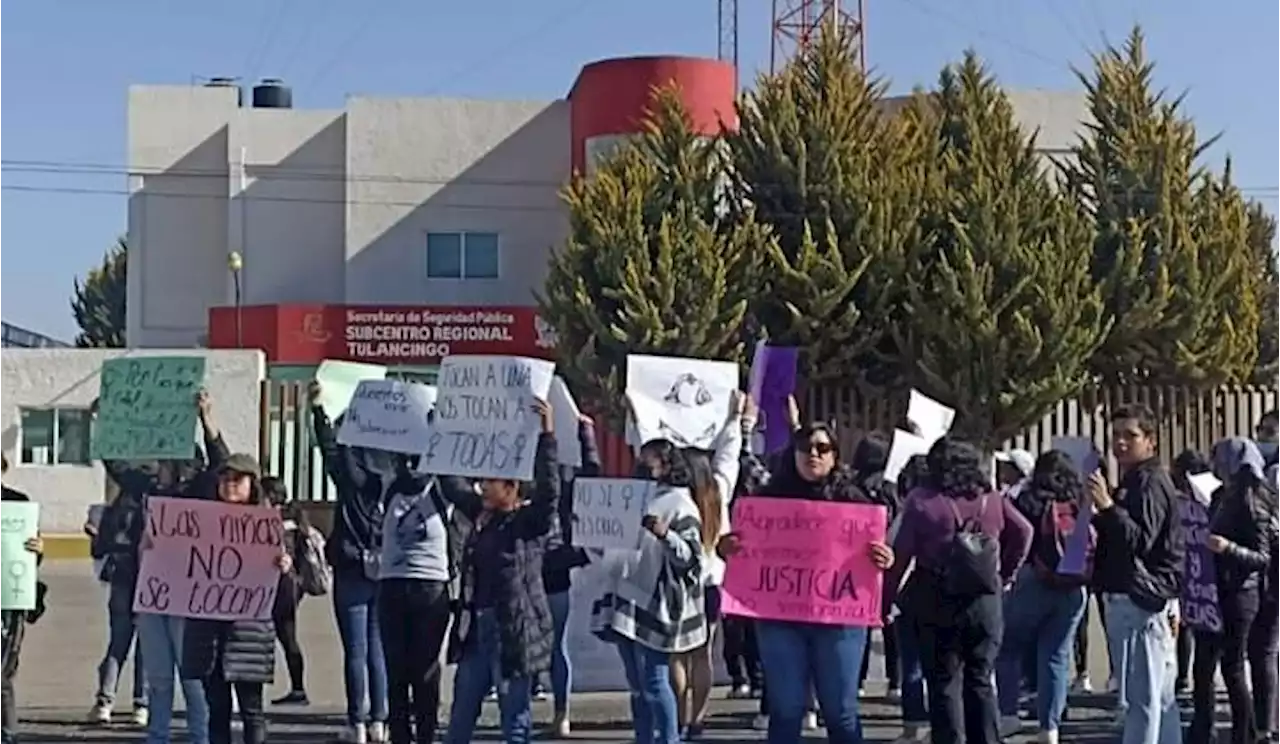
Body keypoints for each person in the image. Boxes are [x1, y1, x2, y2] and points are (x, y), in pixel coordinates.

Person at [720, 418, 896, 744]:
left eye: (822, 448)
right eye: (805, 447)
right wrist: (726, 547)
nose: (812, 454)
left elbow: (876, 551)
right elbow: (739, 546)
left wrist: (885, 557)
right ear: (793, 453)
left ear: (834, 455)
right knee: (785, 711)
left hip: (840, 621)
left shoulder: (855, 501)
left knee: (840, 712)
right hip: (780, 619)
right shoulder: (767, 499)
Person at [887, 436, 1033, 744]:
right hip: (985, 599)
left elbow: (900, 555)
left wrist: (885, 600)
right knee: (980, 679)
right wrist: (1005, 574)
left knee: (943, 682)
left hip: (936, 596)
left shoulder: (922, 500)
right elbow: (1024, 531)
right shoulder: (991, 498)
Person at [442, 398, 559, 744]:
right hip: (478, 628)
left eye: (491, 482)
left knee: (514, 716)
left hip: (513, 633)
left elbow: (551, 493)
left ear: (511, 488)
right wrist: (441, 432)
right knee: (462, 711)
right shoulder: (481, 515)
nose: (482, 487)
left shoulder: (527, 523)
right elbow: (452, 483)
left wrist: (547, 434)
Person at [593, 426, 716, 744]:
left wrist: (666, 535)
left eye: (650, 462)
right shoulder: (635, 496)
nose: (642, 466)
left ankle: (668, 738)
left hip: (653, 602)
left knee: (654, 679)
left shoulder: (680, 504)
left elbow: (692, 559)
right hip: (624, 596)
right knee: (636, 684)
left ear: (666, 463)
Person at [124, 389, 227, 744]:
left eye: (168, 463)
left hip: (187, 598)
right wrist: (104, 424)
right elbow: (118, 464)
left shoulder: (197, 494)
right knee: (159, 679)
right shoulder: (147, 493)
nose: (160, 468)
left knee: (192, 677)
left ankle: (200, 737)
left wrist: (207, 421)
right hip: (152, 596)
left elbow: (220, 464)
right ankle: (158, 738)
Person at [1088, 404, 1184, 744]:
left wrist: (1108, 508)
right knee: (1159, 697)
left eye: (1130, 435)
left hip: (1141, 600)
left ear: (1151, 441)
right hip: (1141, 597)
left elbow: (1141, 541)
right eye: (1116, 435)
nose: (1121, 443)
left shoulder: (1150, 481)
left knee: (1142, 699)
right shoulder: (1136, 480)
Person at [181, 454, 292, 744]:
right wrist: (154, 547)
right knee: (217, 710)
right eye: (224, 478)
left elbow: (286, 594)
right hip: (208, 633)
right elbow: (179, 562)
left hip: (249, 633)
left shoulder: (268, 526)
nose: (229, 484)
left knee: (251, 710)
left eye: (237, 478)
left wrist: (284, 568)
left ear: (252, 484)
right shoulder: (201, 520)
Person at [308, 382, 389, 744]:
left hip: (351, 566)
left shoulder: (348, 479)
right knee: (378, 650)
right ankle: (380, 721)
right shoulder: (393, 481)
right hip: (386, 568)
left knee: (355, 650)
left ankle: (356, 723)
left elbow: (328, 447)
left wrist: (319, 413)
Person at [995, 450, 1095, 744]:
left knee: (1009, 648)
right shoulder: (1081, 501)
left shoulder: (1026, 499)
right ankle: (1049, 728)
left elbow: (1010, 536)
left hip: (1032, 580)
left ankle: (1009, 715)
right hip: (1075, 585)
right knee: (1056, 655)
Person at [1185, 438, 1276, 744]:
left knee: (1233, 666)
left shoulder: (1254, 501)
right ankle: (1202, 728)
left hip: (1240, 592)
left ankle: (1245, 733)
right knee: (1205, 662)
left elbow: (1262, 558)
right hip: (1214, 587)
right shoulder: (1223, 494)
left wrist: (1228, 548)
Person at [671, 398, 746, 741]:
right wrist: (735, 420)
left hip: (678, 584)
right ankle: (697, 721)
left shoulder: (674, 499)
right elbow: (730, 455)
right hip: (713, 583)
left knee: (677, 655)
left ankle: (677, 714)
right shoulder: (719, 490)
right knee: (703, 654)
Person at [375, 449, 454, 744]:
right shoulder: (388, 488)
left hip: (430, 588)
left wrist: (439, 431)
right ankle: (399, 737)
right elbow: (345, 471)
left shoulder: (440, 488)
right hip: (392, 586)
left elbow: (456, 472)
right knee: (396, 673)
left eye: (416, 459)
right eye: (403, 459)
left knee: (426, 672)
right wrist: (324, 419)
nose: (409, 466)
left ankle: (426, 735)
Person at [539, 413, 602, 737]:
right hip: (554, 568)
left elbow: (592, 478)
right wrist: (587, 437)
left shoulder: (523, 481)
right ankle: (560, 712)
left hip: (542, 569)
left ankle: (548, 710)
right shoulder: (566, 484)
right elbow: (592, 476)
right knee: (555, 646)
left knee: (536, 646)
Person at [88, 447, 151, 726]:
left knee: (119, 641)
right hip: (152, 578)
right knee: (146, 645)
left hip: (124, 575)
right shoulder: (167, 497)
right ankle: (142, 705)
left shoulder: (126, 498)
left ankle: (105, 701)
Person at [849, 434, 901, 699]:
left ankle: (857, 679)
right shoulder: (890, 488)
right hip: (886, 561)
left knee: (861, 624)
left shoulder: (850, 486)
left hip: (855, 564)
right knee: (890, 624)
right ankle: (895, 682)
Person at [0, 454, 48, 744]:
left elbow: (29, 554)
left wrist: (37, 548)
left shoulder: (17, 504)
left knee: (3, 673)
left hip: (8, 600)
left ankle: (8, 733)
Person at [261, 477, 310, 706]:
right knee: (287, 636)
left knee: (278, 636)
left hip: (281, 585)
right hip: (292, 586)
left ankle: (296, 689)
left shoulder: (278, 521)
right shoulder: (294, 518)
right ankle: (298, 688)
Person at [1170, 448, 1211, 695]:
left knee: (1183, 623)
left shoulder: (1176, 500)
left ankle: (1183, 677)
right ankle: (1189, 678)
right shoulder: (1215, 496)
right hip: (1206, 571)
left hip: (1181, 567)